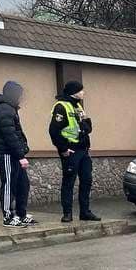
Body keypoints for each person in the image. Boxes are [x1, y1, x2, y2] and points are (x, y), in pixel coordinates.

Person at [49, 80, 100, 222]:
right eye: (81, 90)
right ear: (74, 92)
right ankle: (67, 213)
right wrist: (63, 148)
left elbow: (88, 127)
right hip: (70, 150)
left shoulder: (78, 106)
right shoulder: (61, 106)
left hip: (83, 150)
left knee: (87, 180)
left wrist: (85, 126)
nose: (83, 92)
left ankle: (85, 212)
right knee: (69, 182)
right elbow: (54, 130)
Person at [0, 80, 34, 227]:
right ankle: (8, 216)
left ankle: (21, 214)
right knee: (9, 184)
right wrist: (21, 156)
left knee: (23, 184)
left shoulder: (10, 109)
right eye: (19, 94)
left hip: (14, 153)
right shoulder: (3, 109)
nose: (21, 97)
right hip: (7, 154)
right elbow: (9, 135)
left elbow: (16, 133)